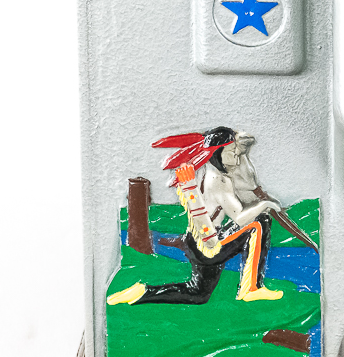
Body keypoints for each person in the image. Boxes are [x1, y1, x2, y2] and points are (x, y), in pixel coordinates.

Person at [108, 127, 285, 306]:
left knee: (198, 293)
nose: (236, 159)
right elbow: (239, 217)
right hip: (210, 245)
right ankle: (252, 288)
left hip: (195, 241)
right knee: (260, 222)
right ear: (218, 153)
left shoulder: (205, 172)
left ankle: (142, 291)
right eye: (232, 152)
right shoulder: (220, 181)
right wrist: (266, 205)